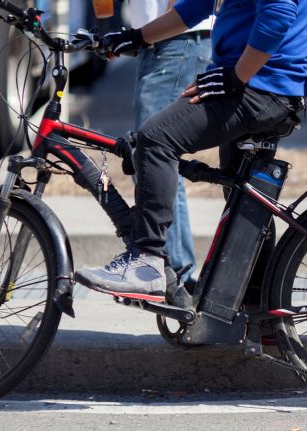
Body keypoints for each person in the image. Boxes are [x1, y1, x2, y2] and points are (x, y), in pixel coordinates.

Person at [74, 0, 307, 298]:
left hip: (260, 85)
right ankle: (259, 314)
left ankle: (146, 260)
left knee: (156, 138)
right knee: (244, 203)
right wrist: (136, 37)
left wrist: (235, 77)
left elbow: (278, 14)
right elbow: (198, 5)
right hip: (262, 84)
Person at [126, 0, 213, 285]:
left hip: (175, 40)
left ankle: (175, 276)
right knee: (153, 156)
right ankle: (173, 271)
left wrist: (147, 32)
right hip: (163, 40)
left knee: (154, 153)